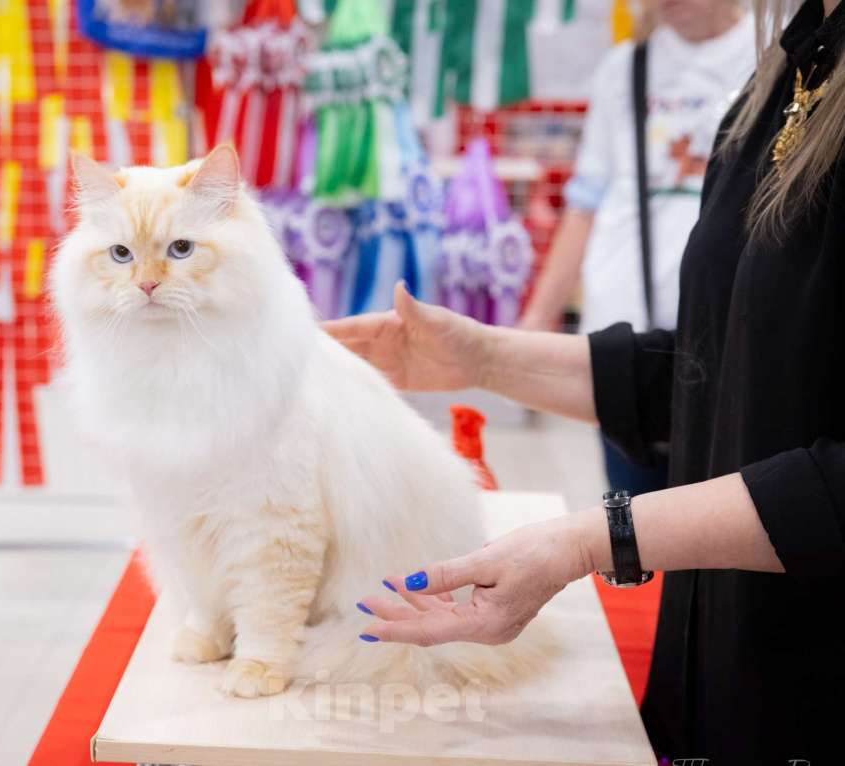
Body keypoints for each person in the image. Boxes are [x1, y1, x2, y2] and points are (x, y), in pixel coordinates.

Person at [324, 0, 845, 761]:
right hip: (727, 669)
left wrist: (589, 541)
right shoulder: (785, 78)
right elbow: (726, 373)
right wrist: (482, 357)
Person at [519, 0, 754, 496]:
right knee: (631, 526)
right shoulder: (623, 67)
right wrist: (537, 319)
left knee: (719, 525)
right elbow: (586, 203)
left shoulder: (769, 59)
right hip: (623, 341)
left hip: (729, 346)